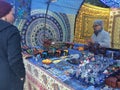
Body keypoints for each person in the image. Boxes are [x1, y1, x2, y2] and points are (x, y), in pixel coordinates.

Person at [0, 1, 25, 90]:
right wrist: (21, 75)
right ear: (4, 14)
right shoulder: (12, 31)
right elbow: (15, 60)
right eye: (13, 14)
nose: (14, 18)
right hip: (9, 80)